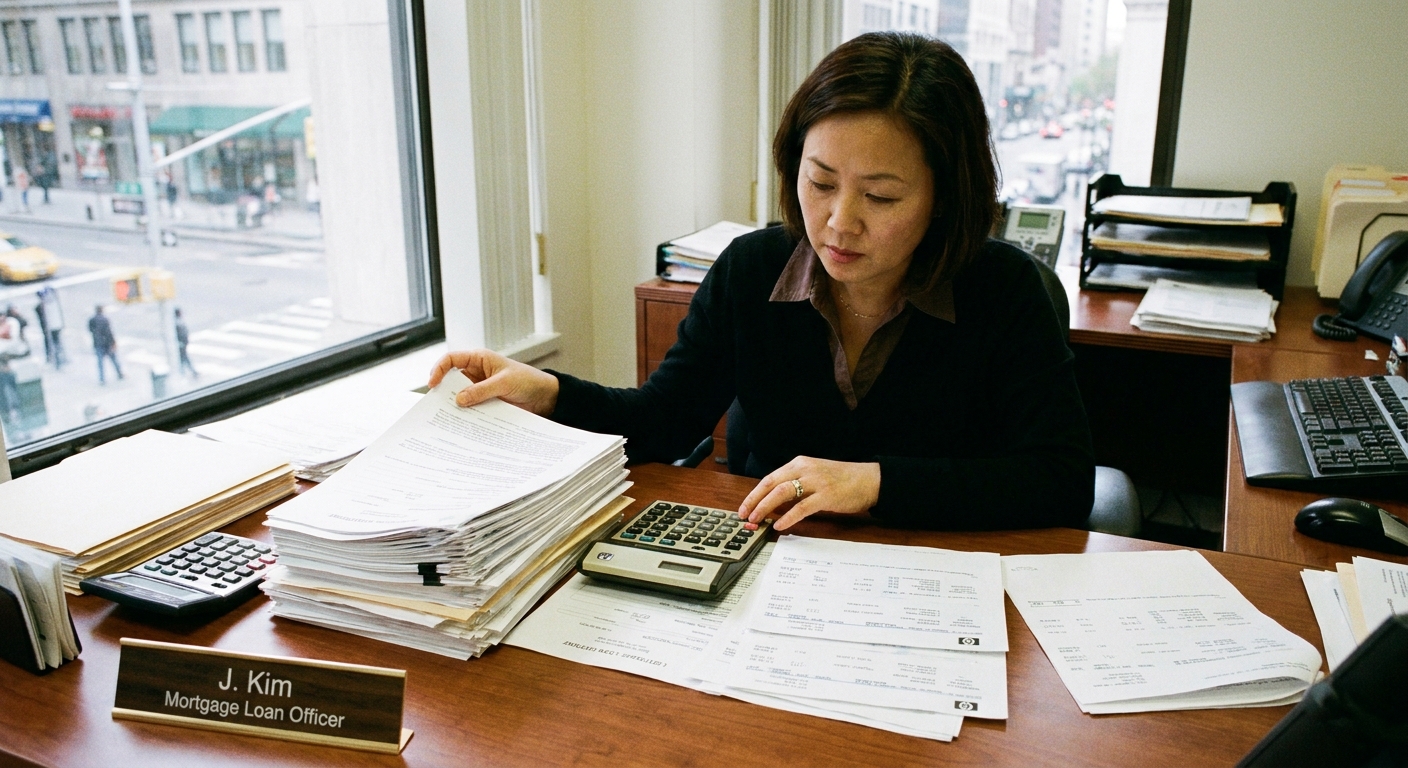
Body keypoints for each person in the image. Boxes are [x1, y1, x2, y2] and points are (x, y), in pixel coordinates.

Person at [428, 32, 1094, 532]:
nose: (839, 222)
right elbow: (663, 422)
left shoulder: (1006, 292)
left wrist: (875, 484)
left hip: (944, 573)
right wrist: (547, 391)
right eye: (821, 181)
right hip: (774, 569)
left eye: (882, 197)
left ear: (945, 196)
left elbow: (1060, 482)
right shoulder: (751, 271)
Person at [88, 304, 123, 385]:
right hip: (106, 343)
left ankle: (102, 379)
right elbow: (109, 332)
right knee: (114, 360)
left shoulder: (92, 320)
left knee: (100, 363)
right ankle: (119, 373)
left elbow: (90, 330)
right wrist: (113, 342)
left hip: (98, 343)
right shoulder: (105, 320)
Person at [174, 307, 197, 378]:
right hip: (182, 344)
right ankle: (191, 372)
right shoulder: (177, 323)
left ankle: (184, 372)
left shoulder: (179, 321)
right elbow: (180, 334)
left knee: (183, 359)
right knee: (184, 358)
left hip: (183, 343)